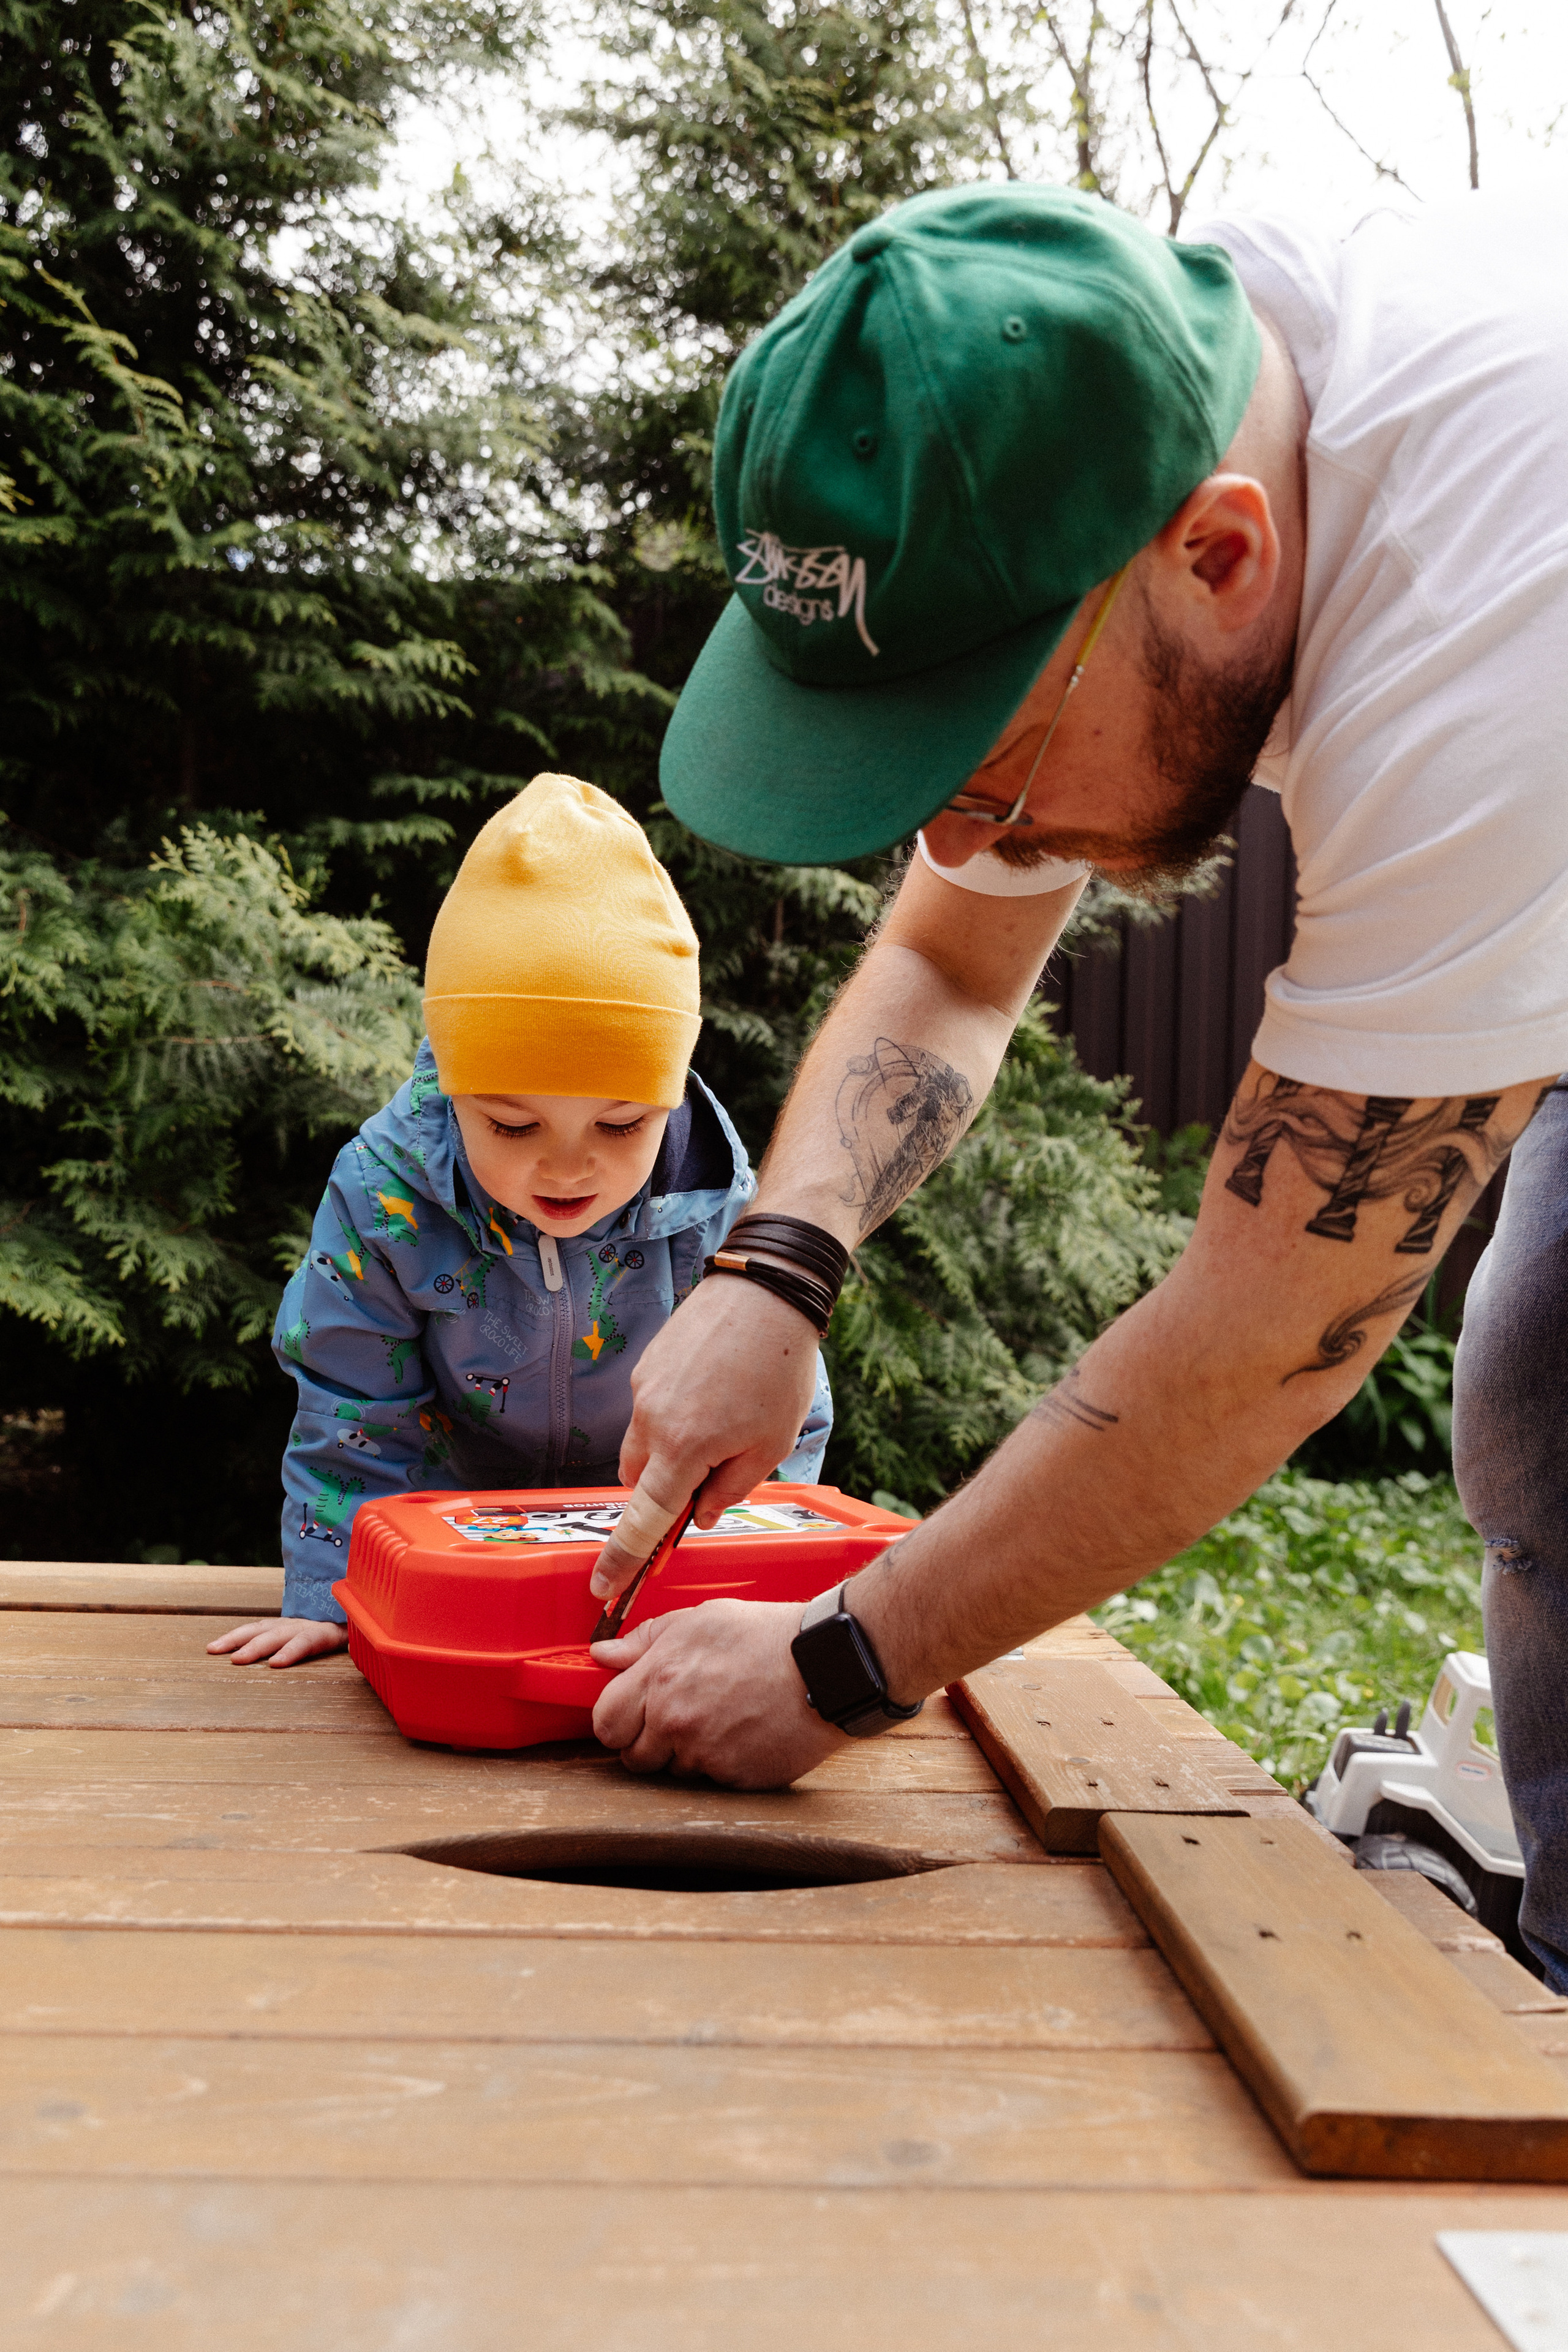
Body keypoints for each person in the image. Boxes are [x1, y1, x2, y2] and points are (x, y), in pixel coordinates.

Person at [582, 182, 1568, 1988]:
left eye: (992, 763)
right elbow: (952, 963)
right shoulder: (1097, 408)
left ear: (1220, 557)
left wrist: (841, 1663)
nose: (961, 842)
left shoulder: (1491, 624)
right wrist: (772, 1272)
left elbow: (1267, 1341)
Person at [210, 774, 831, 1668]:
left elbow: (775, 1414)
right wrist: (338, 1595)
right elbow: (353, 1409)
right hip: (454, 1567)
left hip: (659, 1565)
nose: (569, 1166)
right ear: (454, 1089)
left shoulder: (721, 1207)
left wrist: (755, 1594)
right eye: (511, 1125)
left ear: (667, 1101)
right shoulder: (382, 1196)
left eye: (622, 1125)